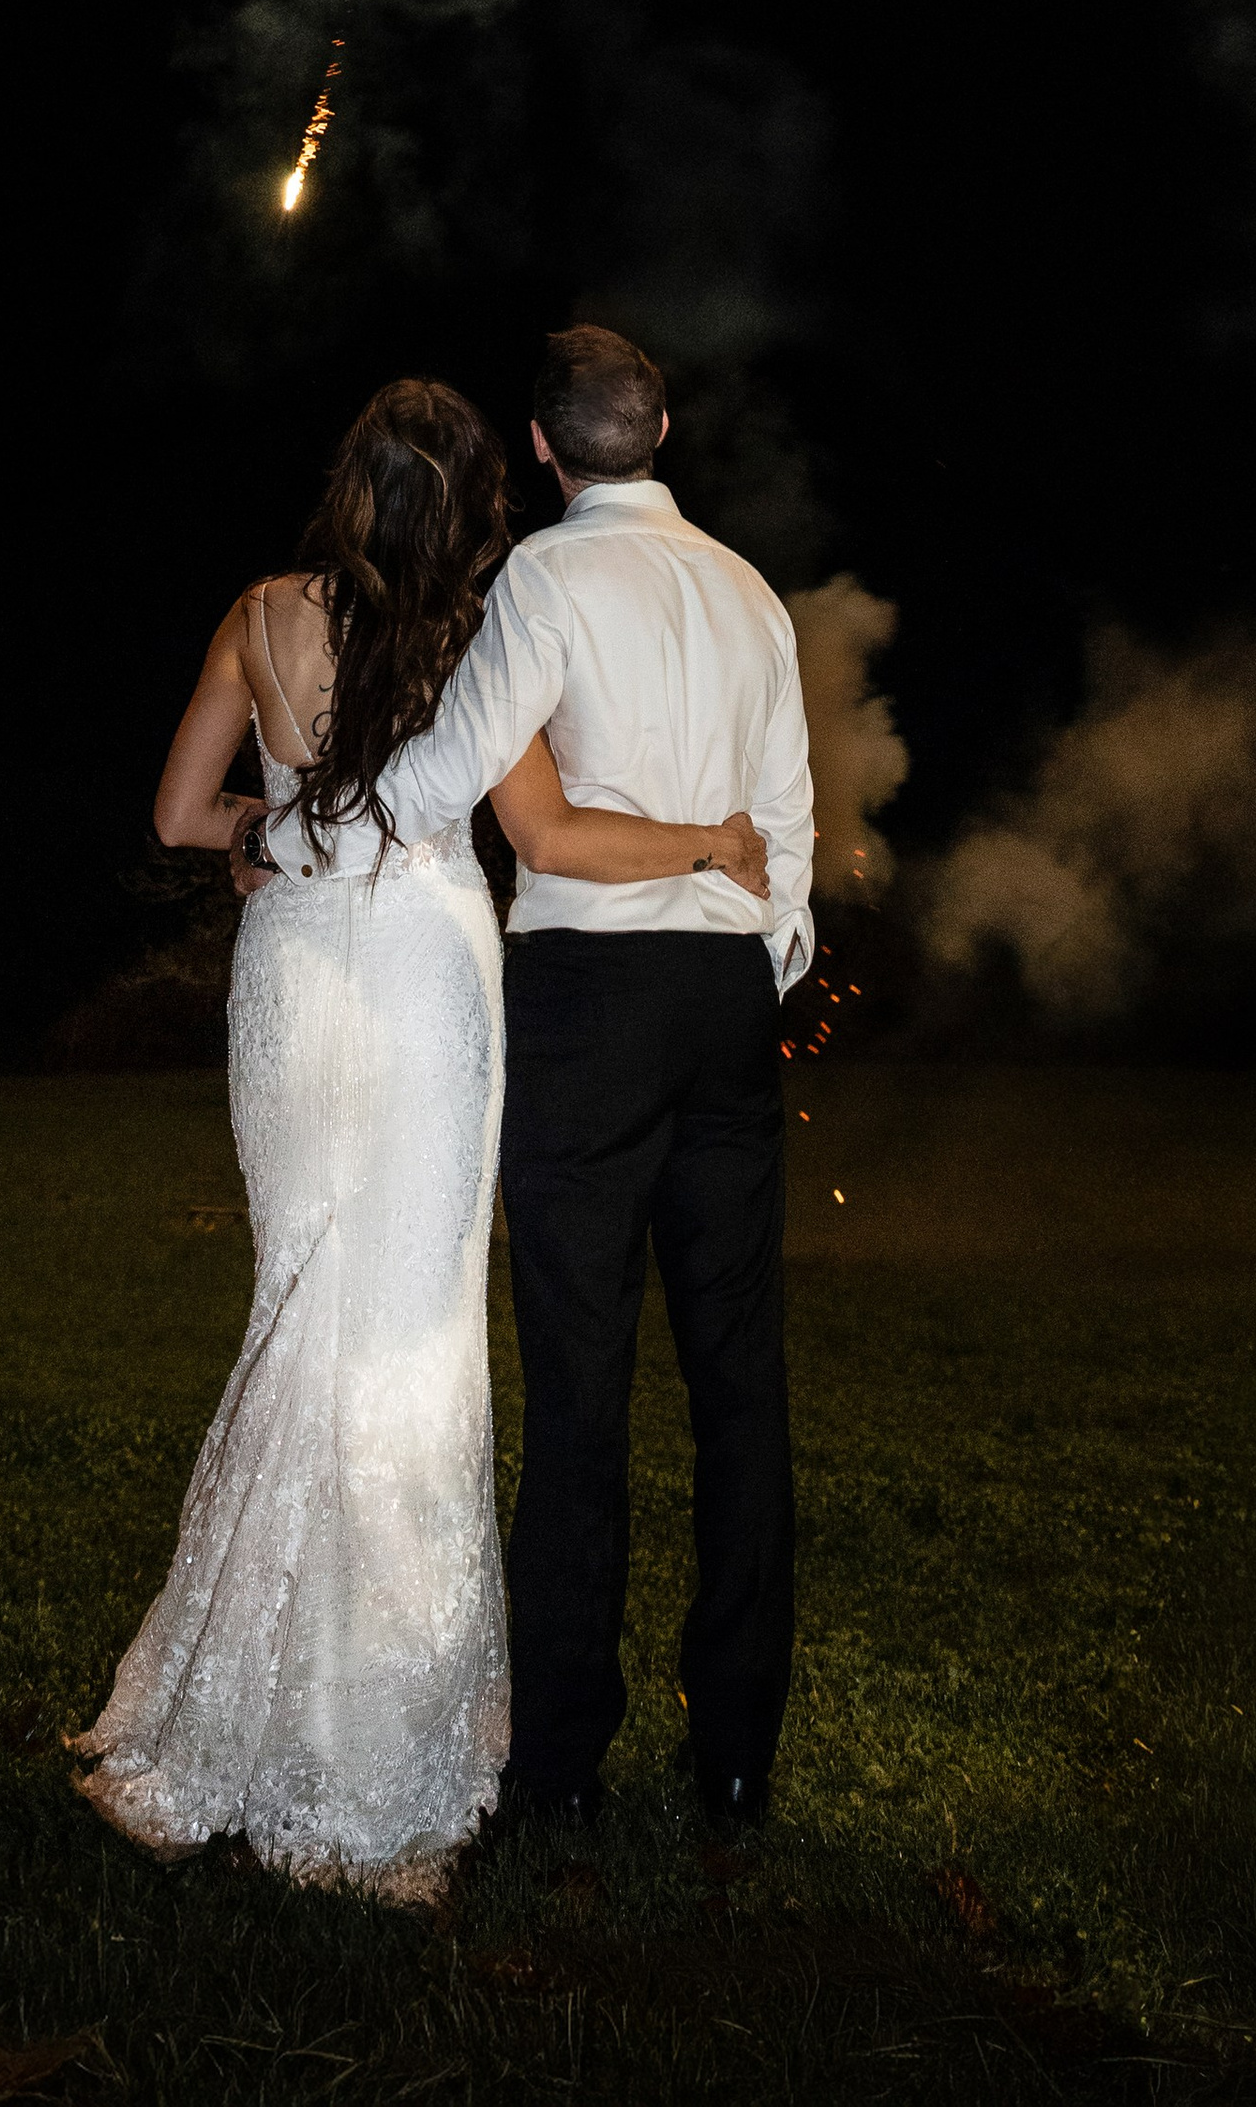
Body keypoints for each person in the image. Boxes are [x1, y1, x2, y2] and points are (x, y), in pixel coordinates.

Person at [69, 375, 768, 1904]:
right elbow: (549, 836)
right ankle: (380, 1741)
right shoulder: (476, 638)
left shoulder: (257, 615)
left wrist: (275, 834)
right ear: (473, 503)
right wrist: (711, 843)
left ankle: (233, 1715)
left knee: (305, 1313)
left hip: (298, 988)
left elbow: (186, 815)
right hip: (434, 988)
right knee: (408, 1337)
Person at [456, 325, 816, 1837]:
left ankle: (560, 1768)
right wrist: (758, 954)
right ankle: (735, 1757)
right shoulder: (748, 590)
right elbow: (786, 824)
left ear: (541, 447)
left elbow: (482, 772)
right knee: (740, 1379)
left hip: (593, 995)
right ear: (660, 426)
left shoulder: (539, 581)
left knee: (581, 1377)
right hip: (726, 995)